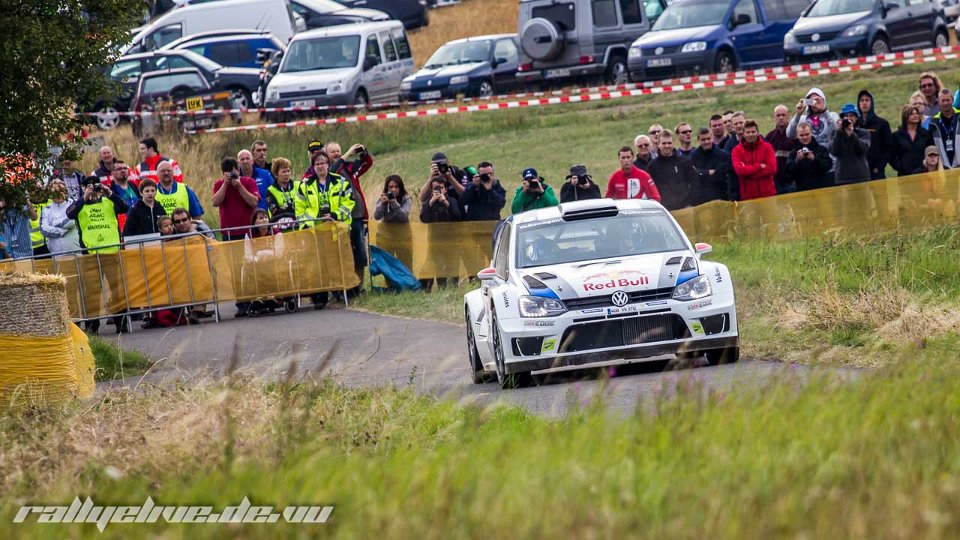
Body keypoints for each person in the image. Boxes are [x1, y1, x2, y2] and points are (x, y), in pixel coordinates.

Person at [66, 176, 131, 334]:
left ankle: (121, 323)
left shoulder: (108, 201)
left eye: (94, 186)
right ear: (83, 188)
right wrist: (84, 198)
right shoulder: (80, 205)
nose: (93, 190)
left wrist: (110, 193)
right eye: (88, 186)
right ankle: (92, 326)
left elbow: (124, 207)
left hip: (111, 253)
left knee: (117, 290)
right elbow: (70, 213)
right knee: (91, 292)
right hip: (90, 255)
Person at [327, 140, 374, 289]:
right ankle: (344, 287)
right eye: (333, 151)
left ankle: (359, 286)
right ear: (326, 155)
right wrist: (347, 154)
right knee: (341, 254)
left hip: (357, 215)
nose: (337, 154)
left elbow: (367, 164)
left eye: (338, 151)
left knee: (360, 252)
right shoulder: (326, 170)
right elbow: (333, 170)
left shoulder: (348, 168)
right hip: (339, 219)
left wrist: (363, 152)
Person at [647, 130, 699, 210]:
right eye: (664, 143)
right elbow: (650, 190)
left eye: (669, 143)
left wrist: (690, 203)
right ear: (658, 144)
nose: (667, 146)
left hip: (684, 209)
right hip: (663, 211)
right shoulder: (652, 166)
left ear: (673, 143)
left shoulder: (684, 162)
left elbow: (695, 183)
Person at [213, 157, 260, 240]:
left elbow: (254, 203)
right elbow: (215, 203)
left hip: (247, 231)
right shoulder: (219, 184)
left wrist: (239, 187)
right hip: (228, 232)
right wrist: (225, 184)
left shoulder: (249, 182)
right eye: (227, 172)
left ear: (238, 170)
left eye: (233, 172)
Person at [731, 120, 777, 200]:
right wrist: (759, 166)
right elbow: (739, 171)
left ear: (758, 132)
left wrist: (748, 173)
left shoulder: (767, 147)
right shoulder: (737, 150)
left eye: (753, 132)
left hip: (768, 195)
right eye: (748, 132)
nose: (751, 134)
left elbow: (772, 169)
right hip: (748, 198)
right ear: (743, 134)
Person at [690, 128, 734, 203]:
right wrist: (708, 172)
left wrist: (702, 173)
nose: (706, 142)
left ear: (712, 138)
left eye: (708, 138)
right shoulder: (693, 156)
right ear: (698, 140)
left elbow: (721, 174)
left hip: (721, 198)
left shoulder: (723, 155)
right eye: (703, 140)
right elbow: (692, 175)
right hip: (700, 201)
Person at [830, 103, 872, 185]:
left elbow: (862, 150)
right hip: (842, 178)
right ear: (842, 118)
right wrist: (839, 133)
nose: (849, 118)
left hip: (861, 177)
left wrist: (852, 135)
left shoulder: (864, 133)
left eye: (852, 115)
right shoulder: (835, 134)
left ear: (856, 117)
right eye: (846, 116)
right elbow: (835, 151)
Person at [786, 122, 833, 192]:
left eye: (807, 134)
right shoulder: (793, 152)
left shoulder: (821, 149)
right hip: (801, 189)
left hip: (820, 188)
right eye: (801, 135)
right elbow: (789, 171)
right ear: (797, 136)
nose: (805, 137)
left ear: (811, 133)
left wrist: (815, 159)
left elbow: (828, 166)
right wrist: (797, 161)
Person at [856, 90, 892, 180]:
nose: (864, 103)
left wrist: (879, 167)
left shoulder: (882, 123)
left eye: (867, 100)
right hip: (859, 172)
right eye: (862, 100)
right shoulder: (855, 124)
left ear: (871, 102)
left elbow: (888, 147)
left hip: (876, 172)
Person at [891, 104, 934, 177]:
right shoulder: (897, 136)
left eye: (916, 113)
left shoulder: (926, 134)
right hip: (904, 175)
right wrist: (900, 167)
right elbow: (892, 155)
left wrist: (925, 166)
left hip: (923, 173)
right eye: (911, 114)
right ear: (905, 117)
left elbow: (930, 151)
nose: (915, 115)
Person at [40, 180, 81, 255]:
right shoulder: (47, 210)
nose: (58, 196)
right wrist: (62, 231)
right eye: (55, 193)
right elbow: (44, 230)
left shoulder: (73, 204)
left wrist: (53, 224)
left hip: (75, 252)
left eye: (60, 191)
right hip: (56, 254)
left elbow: (70, 222)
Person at [766, 104, 796, 193]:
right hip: (776, 183)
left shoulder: (794, 135)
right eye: (778, 115)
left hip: (792, 182)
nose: (781, 118)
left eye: (783, 115)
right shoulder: (769, 137)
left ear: (788, 116)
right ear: (774, 117)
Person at [102, 160, 139, 231]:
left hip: (139, 227)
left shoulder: (134, 187)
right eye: (119, 169)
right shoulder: (109, 191)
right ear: (112, 172)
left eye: (125, 168)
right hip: (122, 230)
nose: (123, 170)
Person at [930, 88, 960, 169]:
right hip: (943, 167)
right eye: (943, 101)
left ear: (953, 100)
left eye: (948, 100)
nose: (945, 103)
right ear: (938, 102)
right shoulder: (933, 122)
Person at [265, 157, 299, 229]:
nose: (287, 174)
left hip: (297, 225)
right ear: (276, 174)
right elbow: (275, 211)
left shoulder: (298, 185)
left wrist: (286, 208)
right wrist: (292, 208)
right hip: (279, 227)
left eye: (288, 171)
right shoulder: (270, 190)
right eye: (283, 172)